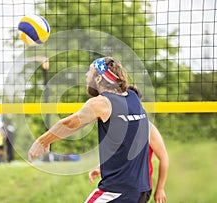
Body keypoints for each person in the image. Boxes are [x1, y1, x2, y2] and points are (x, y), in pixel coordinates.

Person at [29, 57, 152, 202]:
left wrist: (42, 141)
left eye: (90, 71)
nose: (86, 75)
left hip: (117, 191)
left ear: (98, 78)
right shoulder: (133, 97)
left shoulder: (102, 102)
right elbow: (128, 140)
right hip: (141, 191)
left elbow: (69, 124)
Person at [88, 122, 169, 203]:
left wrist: (160, 189)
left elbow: (163, 157)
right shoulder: (118, 126)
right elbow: (116, 153)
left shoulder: (148, 128)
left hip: (138, 188)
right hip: (117, 184)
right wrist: (100, 168)